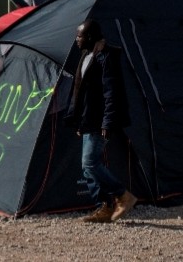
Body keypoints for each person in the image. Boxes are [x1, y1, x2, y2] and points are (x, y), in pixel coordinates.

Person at [64, 19, 137, 223]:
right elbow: (81, 91)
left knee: (90, 162)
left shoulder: (106, 57)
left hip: (100, 121)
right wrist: (79, 121)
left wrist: (108, 122)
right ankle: (103, 207)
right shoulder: (86, 56)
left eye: (79, 35)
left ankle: (123, 195)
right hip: (89, 120)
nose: (76, 39)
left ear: (89, 36)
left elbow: (111, 92)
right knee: (87, 166)